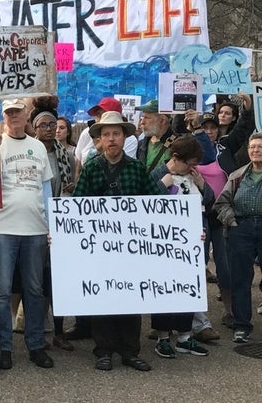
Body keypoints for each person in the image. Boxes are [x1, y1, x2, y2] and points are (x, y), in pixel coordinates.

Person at [73, 111, 161, 372]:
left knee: (131, 299)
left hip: (131, 249)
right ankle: (104, 350)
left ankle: (130, 351)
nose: (111, 139)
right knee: (103, 299)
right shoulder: (91, 168)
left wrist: (187, 230)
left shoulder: (137, 169)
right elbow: (76, 207)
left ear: (124, 137)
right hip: (101, 249)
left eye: (116, 134)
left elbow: (159, 204)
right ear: (99, 139)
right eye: (106, 134)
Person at [0, 98, 55, 371]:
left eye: (17, 112)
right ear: (3, 116)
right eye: (9, 112)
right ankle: (4, 346)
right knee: (1, 292)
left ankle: (35, 345)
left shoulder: (37, 147)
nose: (13, 116)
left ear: (27, 115)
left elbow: (45, 189)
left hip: (35, 228)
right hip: (2, 227)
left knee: (35, 290)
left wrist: (50, 225)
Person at [149, 136, 212, 358]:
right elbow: (144, 205)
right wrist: (160, 186)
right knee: (164, 288)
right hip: (164, 245)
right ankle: (163, 337)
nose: (193, 168)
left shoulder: (193, 176)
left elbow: (210, 202)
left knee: (187, 287)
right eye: (190, 163)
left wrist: (203, 185)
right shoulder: (158, 174)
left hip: (191, 244)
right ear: (176, 158)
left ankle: (185, 336)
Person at [30, 101, 76, 352]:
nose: (49, 129)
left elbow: (70, 185)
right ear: (34, 128)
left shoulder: (66, 155)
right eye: (43, 125)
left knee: (57, 281)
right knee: (37, 283)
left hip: (59, 226)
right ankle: (38, 331)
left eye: (52, 125)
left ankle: (59, 332)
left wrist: (71, 190)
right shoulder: (30, 153)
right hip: (34, 222)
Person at [213, 132, 262, 343]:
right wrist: (232, 222)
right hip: (241, 228)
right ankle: (242, 326)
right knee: (241, 279)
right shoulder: (237, 176)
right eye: (252, 147)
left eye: (260, 147)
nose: (256, 150)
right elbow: (221, 204)